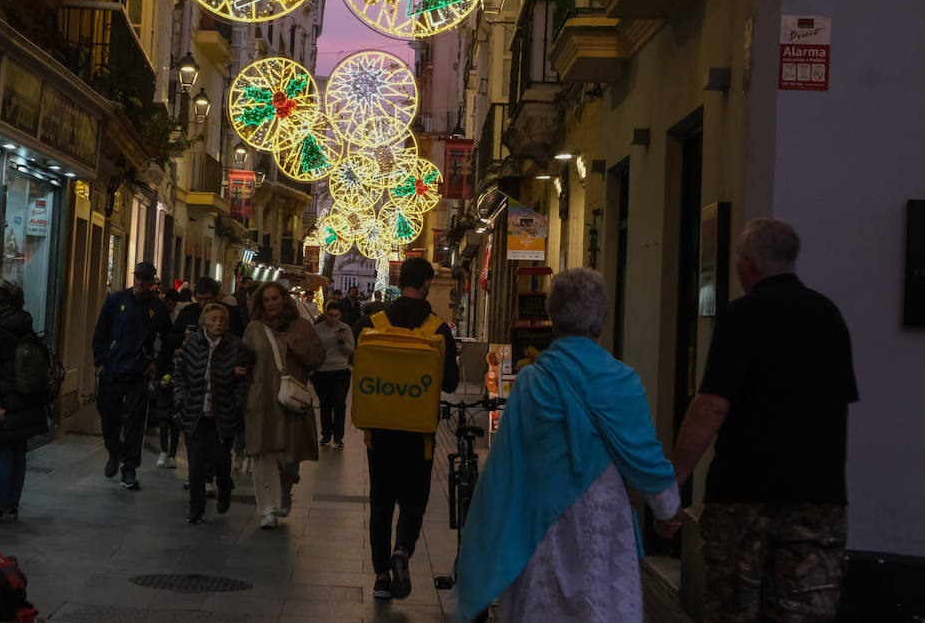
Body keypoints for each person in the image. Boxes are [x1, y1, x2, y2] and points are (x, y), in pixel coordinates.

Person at [458, 267, 680, 622]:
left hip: (540, 525)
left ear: (553, 317)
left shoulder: (532, 382)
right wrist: (668, 510)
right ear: (601, 318)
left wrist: (483, 550)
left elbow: (504, 467)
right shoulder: (622, 381)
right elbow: (645, 455)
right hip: (603, 526)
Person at [669, 218, 858, 623]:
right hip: (817, 499)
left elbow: (711, 407)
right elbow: (839, 404)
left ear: (750, 262)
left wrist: (675, 480)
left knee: (734, 609)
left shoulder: (743, 316)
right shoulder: (829, 316)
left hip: (744, 497)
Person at [352, 257, 460, 601]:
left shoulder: (372, 322)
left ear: (399, 283)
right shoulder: (438, 329)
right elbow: (451, 383)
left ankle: (381, 576)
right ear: (428, 284)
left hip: (379, 433)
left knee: (381, 503)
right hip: (419, 435)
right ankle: (402, 549)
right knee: (413, 502)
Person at [242, 280, 325, 528]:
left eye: (274, 298)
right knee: (262, 454)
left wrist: (296, 343)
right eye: (266, 300)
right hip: (261, 400)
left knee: (289, 458)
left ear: (284, 300)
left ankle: (286, 489)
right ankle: (268, 509)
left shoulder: (303, 326)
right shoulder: (254, 328)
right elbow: (243, 358)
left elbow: (318, 358)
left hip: (291, 401)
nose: (270, 303)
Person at [0, 279, 49, 521]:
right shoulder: (25, 323)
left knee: (2, 452)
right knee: (18, 452)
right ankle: (12, 504)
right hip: (27, 397)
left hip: (3, 400)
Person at [92, 262, 171, 489]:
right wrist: (100, 364)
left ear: (152, 282)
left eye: (145, 279)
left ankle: (129, 469)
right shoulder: (116, 301)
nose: (140, 282)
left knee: (135, 422)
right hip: (112, 369)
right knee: (108, 415)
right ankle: (114, 450)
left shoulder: (158, 308)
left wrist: (157, 363)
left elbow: (170, 338)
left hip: (138, 372)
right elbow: (100, 333)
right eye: (138, 277)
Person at [173, 303, 251, 523]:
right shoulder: (191, 344)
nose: (218, 323)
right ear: (204, 322)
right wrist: (181, 399)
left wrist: (236, 403)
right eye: (213, 319)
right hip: (195, 413)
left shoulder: (235, 346)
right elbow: (180, 374)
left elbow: (243, 379)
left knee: (221, 460)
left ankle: (224, 486)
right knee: (196, 462)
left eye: (222, 320)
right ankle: (196, 507)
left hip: (222, 413)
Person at [311, 300, 355, 447]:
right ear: (325, 314)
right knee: (325, 404)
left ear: (340, 316)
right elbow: (313, 349)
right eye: (330, 315)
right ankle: (326, 435)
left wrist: (341, 342)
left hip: (340, 371)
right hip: (322, 372)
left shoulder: (345, 329)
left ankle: (338, 436)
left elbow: (351, 351)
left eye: (336, 315)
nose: (333, 319)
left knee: (339, 403)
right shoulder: (317, 329)